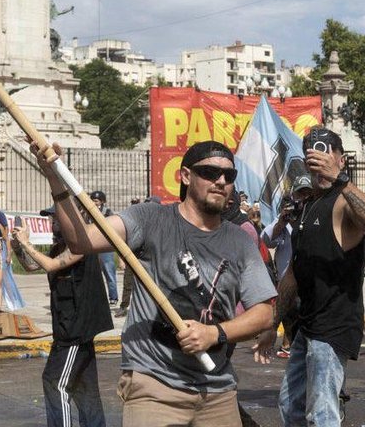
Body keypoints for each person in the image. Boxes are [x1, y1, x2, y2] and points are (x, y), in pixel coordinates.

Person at [41, 140, 277, 427]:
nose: (221, 182)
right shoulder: (150, 219)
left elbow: (265, 314)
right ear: (186, 176)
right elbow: (81, 240)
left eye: (229, 176)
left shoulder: (239, 240)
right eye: (210, 173)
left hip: (217, 392)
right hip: (153, 388)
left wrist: (215, 334)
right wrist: (55, 177)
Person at [261, 128, 365, 427]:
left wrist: (340, 180)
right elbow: (293, 274)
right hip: (308, 325)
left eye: (327, 151)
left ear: (341, 159)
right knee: (291, 405)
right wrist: (271, 324)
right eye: (313, 152)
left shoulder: (342, 201)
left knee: (322, 414)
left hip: (334, 325)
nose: (318, 158)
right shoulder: (307, 207)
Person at [14, 210, 112, 427]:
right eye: (53, 219)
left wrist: (27, 243)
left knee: (55, 382)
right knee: (84, 388)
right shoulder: (61, 245)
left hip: (75, 329)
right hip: (67, 326)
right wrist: (18, 246)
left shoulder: (82, 243)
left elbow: (50, 265)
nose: (53, 223)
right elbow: (32, 266)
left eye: (57, 219)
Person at [90, 190, 119, 306]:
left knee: (109, 272)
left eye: (96, 201)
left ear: (102, 202)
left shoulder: (107, 212)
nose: (94, 203)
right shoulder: (88, 212)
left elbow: (113, 226)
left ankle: (113, 297)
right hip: (93, 245)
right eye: (92, 200)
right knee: (93, 273)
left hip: (106, 247)